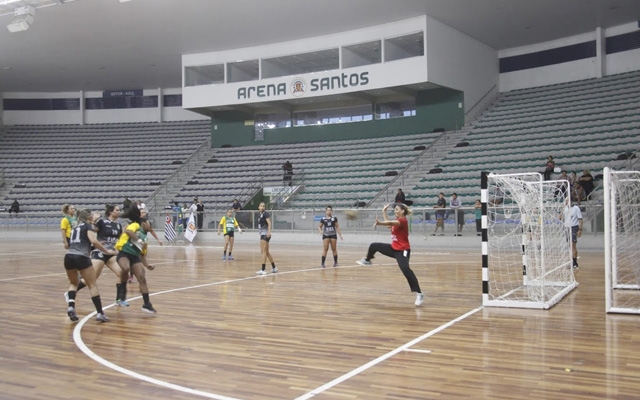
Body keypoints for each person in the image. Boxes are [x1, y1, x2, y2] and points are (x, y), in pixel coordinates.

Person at [356, 203, 424, 306]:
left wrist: (379, 223)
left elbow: (390, 222)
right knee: (374, 246)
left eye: (397, 209)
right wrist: (384, 212)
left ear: (402, 211)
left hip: (403, 251)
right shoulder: (396, 221)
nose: (395, 211)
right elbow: (389, 225)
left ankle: (419, 293)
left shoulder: (402, 221)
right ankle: (367, 260)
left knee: (405, 269)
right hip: (393, 248)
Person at [63, 208, 113, 322]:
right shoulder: (88, 226)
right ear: (88, 217)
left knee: (73, 283)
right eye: (92, 215)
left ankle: (71, 306)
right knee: (92, 284)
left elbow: (79, 243)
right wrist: (106, 250)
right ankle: (100, 313)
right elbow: (93, 241)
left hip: (69, 256)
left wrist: (93, 246)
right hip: (81, 257)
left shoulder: (75, 227)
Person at [71, 205, 124, 305]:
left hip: (111, 253)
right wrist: (94, 221)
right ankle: (71, 292)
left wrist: (119, 248)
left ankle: (119, 299)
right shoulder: (102, 222)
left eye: (119, 210)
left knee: (121, 272)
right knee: (92, 278)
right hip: (100, 252)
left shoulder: (118, 225)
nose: (119, 212)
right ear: (110, 212)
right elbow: (91, 231)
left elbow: (120, 239)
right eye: (117, 210)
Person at [115, 206, 157, 313]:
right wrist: (138, 239)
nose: (150, 227)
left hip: (134, 257)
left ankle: (147, 304)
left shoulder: (145, 239)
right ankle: (122, 289)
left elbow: (142, 255)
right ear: (144, 223)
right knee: (125, 268)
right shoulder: (135, 225)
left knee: (142, 278)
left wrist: (147, 265)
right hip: (124, 252)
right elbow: (128, 231)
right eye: (148, 224)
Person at [255, 202, 278, 275]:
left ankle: (263, 269)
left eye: (263, 206)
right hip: (262, 233)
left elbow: (269, 223)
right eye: (261, 206)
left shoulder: (265, 214)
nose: (262, 207)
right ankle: (274, 267)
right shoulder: (259, 215)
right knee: (267, 252)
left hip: (265, 234)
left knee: (263, 252)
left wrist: (269, 232)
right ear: (258, 207)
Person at [561, 199, 583, 269]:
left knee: (573, 245)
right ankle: (572, 262)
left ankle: (575, 263)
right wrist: (563, 209)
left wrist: (580, 229)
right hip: (567, 227)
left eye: (568, 200)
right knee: (570, 246)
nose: (567, 201)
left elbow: (580, 219)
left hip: (574, 227)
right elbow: (560, 218)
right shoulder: (565, 208)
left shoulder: (576, 208)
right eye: (566, 200)